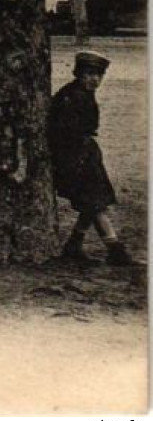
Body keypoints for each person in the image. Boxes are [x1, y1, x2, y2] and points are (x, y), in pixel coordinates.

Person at [50, 51, 139, 266]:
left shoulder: (81, 93)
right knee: (95, 202)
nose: (95, 80)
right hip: (74, 157)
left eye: (99, 75)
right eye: (89, 74)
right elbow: (63, 132)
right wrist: (75, 160)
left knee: (95, 201)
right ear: (78, 73)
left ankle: (75, 244)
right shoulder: (71, 97)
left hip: (86, 154)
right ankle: (114, 249)